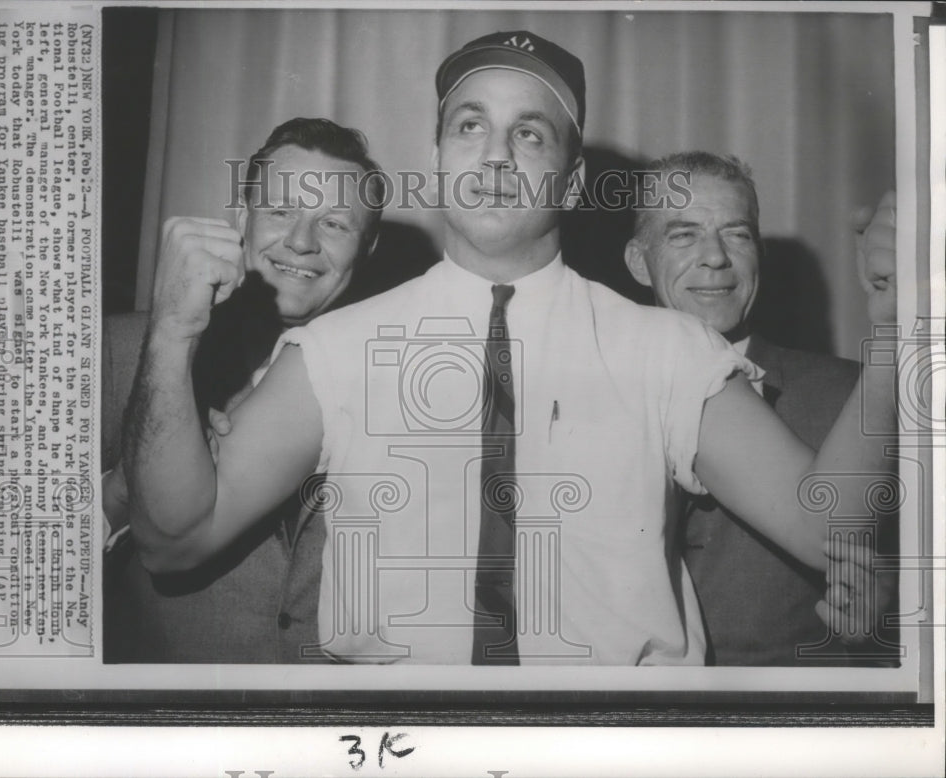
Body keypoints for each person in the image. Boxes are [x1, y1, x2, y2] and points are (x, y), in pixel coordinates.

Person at [123, 31, 897, 665]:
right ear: (439, 160)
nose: (495, 156)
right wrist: (173, 333)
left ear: (569, 179)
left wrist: (899, 323)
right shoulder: (334, 349)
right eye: (470, 125)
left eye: (529, 133)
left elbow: (829, 527)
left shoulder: (667, 349)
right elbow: (176, 541)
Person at [103, 117, 383, 662]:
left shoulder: (394, 376)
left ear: (367, 249)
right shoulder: (118, 347)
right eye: (280, 211)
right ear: (242, 220)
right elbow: (14, 575)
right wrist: (120, 492)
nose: (301, 243)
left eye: (334, 224)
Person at [623, 151, 897, 665]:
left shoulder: (850, 395)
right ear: (640, 262)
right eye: (684, 235)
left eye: (737, 234)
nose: (715, 258)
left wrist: (888, 612)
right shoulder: (594, 398)